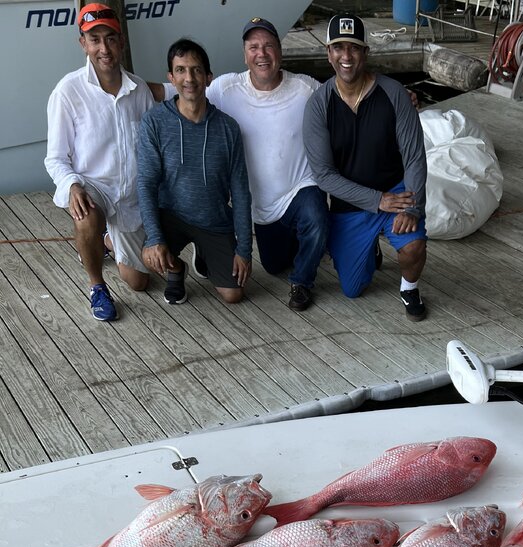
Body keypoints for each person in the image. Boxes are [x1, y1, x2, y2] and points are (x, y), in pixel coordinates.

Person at [303, 14, 428, 322]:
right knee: (352, 288)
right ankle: (370, 248)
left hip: (396, 192)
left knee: (413, 247)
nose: (346, 56)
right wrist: (376, 200)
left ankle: (409, 289)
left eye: (354, 48)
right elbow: (323, 175)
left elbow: (414, 156)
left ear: (366, 53)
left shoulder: (394, 93)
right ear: (328, 53)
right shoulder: (318, 105)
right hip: (351, 203)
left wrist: (413, 208)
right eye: (339, 47)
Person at [202, 18, 329, 312]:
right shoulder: (225, 89)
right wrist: (135, 86)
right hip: (262, 207)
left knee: (316, 217)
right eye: (254, 47)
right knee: (273, 265)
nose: (262, 53)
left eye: (269, 46)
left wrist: (395, 96)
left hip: (300, 188)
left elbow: (347, 97)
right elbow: (185, 93)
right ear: (245, 54)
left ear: (280, 51)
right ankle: (313, 243)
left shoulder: (305, 88)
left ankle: (302, 282)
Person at [44, 4, 154, 322]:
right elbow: (55, 157)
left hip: (131, 195)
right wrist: (72, 185)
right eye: (95, 40)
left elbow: (153, 148)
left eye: (110, 38)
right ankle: (97, 286)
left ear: (122, 42)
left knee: (139, 282)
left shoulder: (140, 90)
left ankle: (106, 241)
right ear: (83, 44)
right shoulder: (68, 91)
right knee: (86, 216)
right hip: (95, 188)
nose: (103, 48)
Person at [137, 39, 253, 306]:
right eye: (180, 70)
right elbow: (146, 183)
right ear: (171, 77)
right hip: (172, 217)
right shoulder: (154, 122)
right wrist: (154, 238)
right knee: (147, 257)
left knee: (233, 294)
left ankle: (205, 254)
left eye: (196, 70)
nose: (189, 78)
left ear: (208, 77)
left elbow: (240, 192)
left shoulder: (228, 128)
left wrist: (244, 249)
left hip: (214, 220)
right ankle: (177, 270)